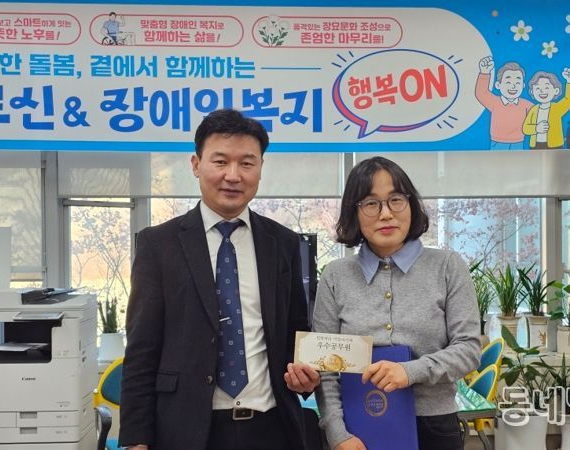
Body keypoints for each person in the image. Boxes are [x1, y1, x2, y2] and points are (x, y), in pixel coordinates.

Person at [119, 109, 321, 450]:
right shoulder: (159, 245)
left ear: (260, 168)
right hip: (187, 432)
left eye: (247, 163)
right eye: (220, 161)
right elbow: (141, 350)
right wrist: (136, 440)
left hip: (271, 428)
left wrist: (305, 376)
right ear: (196, 165)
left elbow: (295, 330)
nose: (233, 175)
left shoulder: (283, 243)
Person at [313, 156, 481, 450]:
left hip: (434, 427)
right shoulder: (335, 276)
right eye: (371, 203)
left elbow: (468, 349)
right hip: (358, 426)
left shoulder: (447, 266)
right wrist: (337, 434)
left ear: (411, 204)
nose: (386, 214)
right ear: (354, 212)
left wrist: (410, 371)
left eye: (396, 200)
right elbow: (325, 367)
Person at [475, 56, 533, 150]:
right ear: (498, 85)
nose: (513, 86)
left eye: (517, 83)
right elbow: (481, 93)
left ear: (523, 86)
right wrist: (485, 72)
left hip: (518, 142)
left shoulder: (526, 105)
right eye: (508, 82)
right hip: (497, 142)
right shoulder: (495, 102)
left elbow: (538, 114)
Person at [523, 68, 570, 149]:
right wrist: (536, 128)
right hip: (535, 145)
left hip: (555, 145)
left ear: (556, 91)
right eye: (538, 88)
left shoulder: (557, 108)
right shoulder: (534, 109)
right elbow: (525, 128)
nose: (542, 91)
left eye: (547, 88)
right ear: (532, 92)